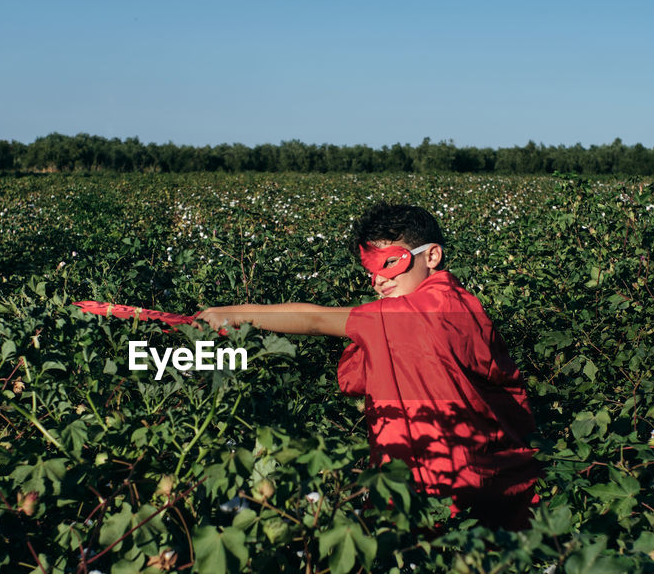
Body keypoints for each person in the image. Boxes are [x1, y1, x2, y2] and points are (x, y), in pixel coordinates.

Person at [196, 203, 540, 530]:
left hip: (449, 490)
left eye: (390, 263)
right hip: (485, 484)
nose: (377, 280)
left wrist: (231, 315)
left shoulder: (422, 313)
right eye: (370, 271)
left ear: (432, 256)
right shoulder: (457, 302)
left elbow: (316, 319)